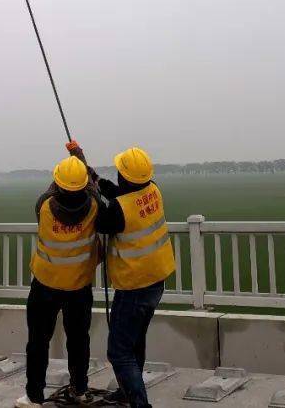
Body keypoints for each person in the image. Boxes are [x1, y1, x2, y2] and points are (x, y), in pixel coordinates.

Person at [17, 145, 101, 407]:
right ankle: (79, 389)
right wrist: (80, 159)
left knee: (38, 342)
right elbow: (93, 184)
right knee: (78, 340)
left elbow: (57, 187)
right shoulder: (94, 207)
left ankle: (34, 396)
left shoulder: (43, 206)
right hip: (78, 286)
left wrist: (71, 164)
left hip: (45, 285)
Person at [96, 147, 176, 408]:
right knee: (135, 341)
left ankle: (140, 403)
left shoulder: (118, 210)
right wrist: (95, 179)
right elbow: (122, 197)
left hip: (134, 286)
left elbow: (102, 220)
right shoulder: (153, 189)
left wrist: (91, 192)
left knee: (118, 351)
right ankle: (126, 391)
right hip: (156, 280)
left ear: (125, 176)